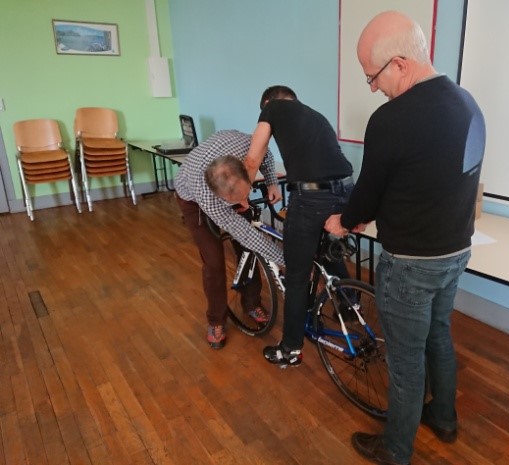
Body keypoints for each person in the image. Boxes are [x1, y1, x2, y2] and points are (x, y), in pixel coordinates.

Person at [324, 11, 486, 465]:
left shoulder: (391, 119)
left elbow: (368, 194)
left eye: (372, 76)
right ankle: (445, 418)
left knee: (405, 359)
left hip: (412, 263)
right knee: (439, 334)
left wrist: (344, 220)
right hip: (457, 252)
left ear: (399, 63)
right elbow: (441, 181)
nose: (373, 87)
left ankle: (396, 449)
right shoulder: (468, 103)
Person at [244, 85, 354, 367]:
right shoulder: (315, 116)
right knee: (327, 250)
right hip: (346, 191)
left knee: (296, 276)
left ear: (268, 102)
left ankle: (290, 349)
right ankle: (350, 303)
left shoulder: (272, 108)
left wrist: (240, 194)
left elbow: (253, 158)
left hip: (312, 198)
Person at [174, 129, 284, 350]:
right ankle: (216, 320)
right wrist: (283, 259)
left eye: (246, 193)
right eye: (236, 200)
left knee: (247, 251)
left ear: (245, 168)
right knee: (214, 262)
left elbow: (266, 154)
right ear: (220, 197)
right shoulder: (206, 194)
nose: (244, 203)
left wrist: (272, 182)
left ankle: (251, 303)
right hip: (191, 199)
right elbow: (246, 234)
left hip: (225, 181)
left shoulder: (246, 149)